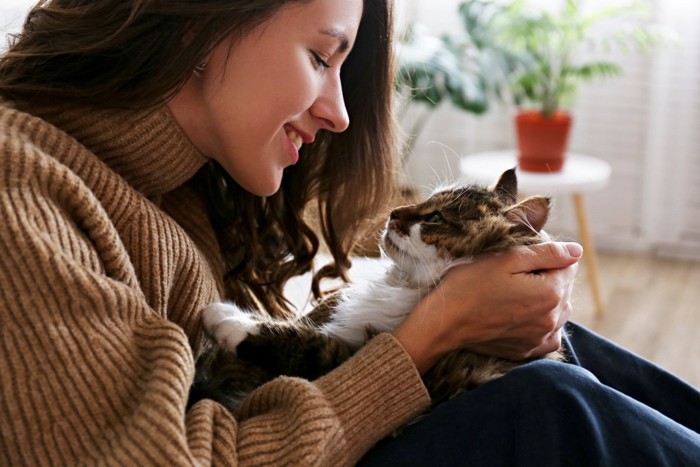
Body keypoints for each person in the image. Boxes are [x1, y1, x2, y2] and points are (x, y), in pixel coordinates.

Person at [0, 0, 697, 465]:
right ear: (199, 25)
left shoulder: (179, 187)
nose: (338, 112)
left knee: (557, 350)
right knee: (550, 405)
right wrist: (430, 332)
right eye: (320, 57)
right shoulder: (21, 188)